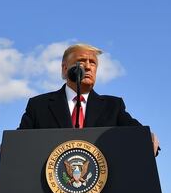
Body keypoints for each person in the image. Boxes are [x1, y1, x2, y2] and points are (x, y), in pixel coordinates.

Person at [18, 43, 160, 155]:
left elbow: (137, 133)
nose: (87, 66)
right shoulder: (38, 106)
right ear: (64, 68)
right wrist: (9, 146)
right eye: (81, 61)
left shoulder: (113, 107)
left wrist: (147, 137)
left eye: (92, 63)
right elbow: (19, 142)